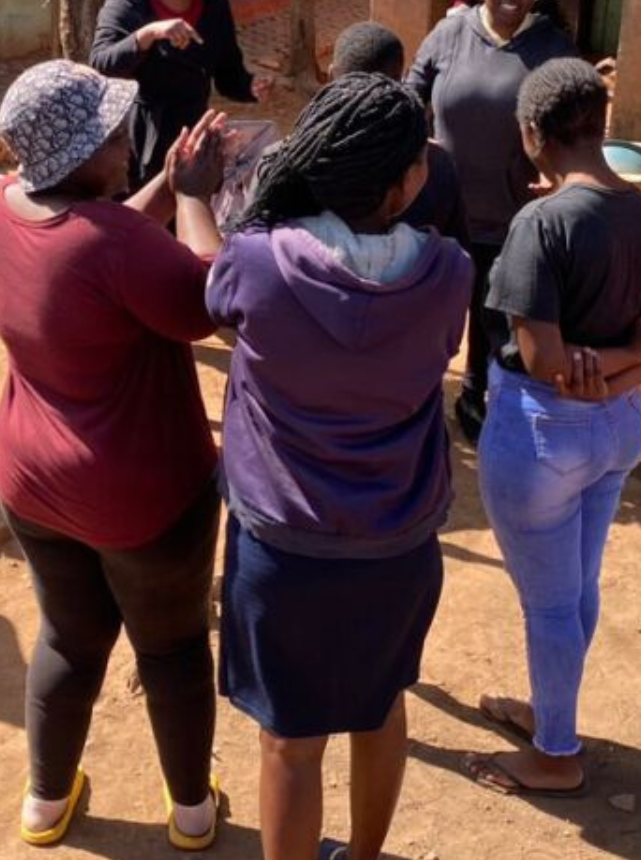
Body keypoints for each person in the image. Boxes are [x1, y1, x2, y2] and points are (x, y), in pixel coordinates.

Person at [213, 73, 472, 860]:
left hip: (283, 551)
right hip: (397, 546)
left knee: (290, 742)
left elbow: (215, 296)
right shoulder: (449, 272)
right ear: (401, 184)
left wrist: (195, 195)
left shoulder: (256, 262)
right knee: (380, 707)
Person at [0, 59, 228, 850]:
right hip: (142, 496)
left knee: (68, 638)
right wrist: (193, 196)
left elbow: (102, 235)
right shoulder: (116, 241)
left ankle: (46, 803)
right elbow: (214, 300)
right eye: (110, 133)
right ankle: (192, 814)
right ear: (77, 154)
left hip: (33, 482)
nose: (126, 141)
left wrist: (162, 181)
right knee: (174, 645)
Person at [462, 59, 641, 796]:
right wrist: (628, 365)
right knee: (577, 587)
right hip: (619, 426)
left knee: (551, 601)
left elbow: (546, 361)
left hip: (541, 436)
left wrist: (594, 373)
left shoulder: (540, 224)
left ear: (533, 133)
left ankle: (555, 752)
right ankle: (553, 710)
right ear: (601, 126)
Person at [408, 0, 579, 443]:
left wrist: (560, 174)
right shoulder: (450, 32)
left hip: (512, 212)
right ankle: (417, 395)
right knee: (428, 309)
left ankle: (477, 395)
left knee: (495, 318)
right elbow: (412, 95)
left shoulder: (550, 45)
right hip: (439, 208)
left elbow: (577, 118)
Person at [91, 0, 274, 187]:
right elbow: (102, 63)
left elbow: (228, 75)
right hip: (140, 135)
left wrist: (250, 86)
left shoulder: (215, 6)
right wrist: (149, 34)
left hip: (192, 133)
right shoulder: (127, 3)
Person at [330, 21, 466, 244]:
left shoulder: (290, 157)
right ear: (401, 80)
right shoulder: (433, 162)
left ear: (331, 76)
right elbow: (457, 251)